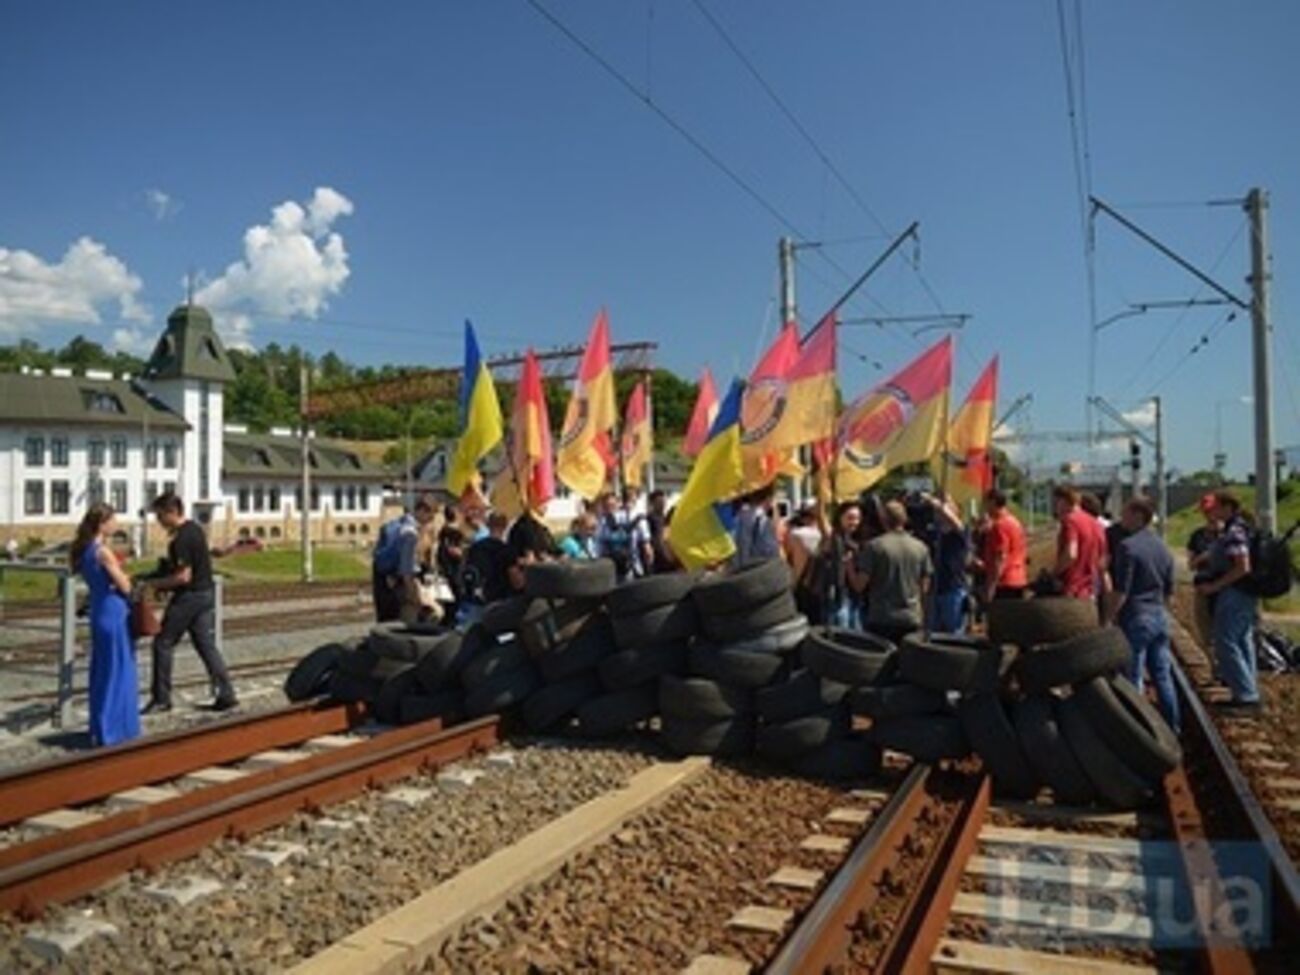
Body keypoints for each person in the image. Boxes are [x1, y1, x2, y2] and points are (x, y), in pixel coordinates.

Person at [141, 493, 237, 713]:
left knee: (163, 643)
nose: (158, 521)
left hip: (189, 596)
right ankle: (226, 692)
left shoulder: (182, 538)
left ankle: (161, 698)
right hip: (205, 593)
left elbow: (183, 576)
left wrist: (156, 584)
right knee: (205, 645)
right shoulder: (195, 529)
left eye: (160, 516)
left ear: (172, 512)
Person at [71, 503, 140, 746]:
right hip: (114, 612)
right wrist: (126, 577)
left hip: (99, 611)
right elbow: (125, 586)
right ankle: (116, 727)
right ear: (102, 524)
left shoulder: (86, 551)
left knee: (102, 669)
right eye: (113, 520)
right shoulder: (103, 552)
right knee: (119, 668)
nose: (116, 524)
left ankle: (100, 725)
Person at [1107, 498, 1179, 731]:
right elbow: (1170, 590)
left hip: (1136, 617)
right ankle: (1172, 726)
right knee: (1162, 675)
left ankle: (1138, 728)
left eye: (1126, 514)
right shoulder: (1163, 548)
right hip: (1159, 615)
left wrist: (1108, 618)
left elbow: (1121, 591)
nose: (1122, 519)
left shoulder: (1127, 547)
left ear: (1138, 516)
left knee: (1133, 675)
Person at [1197, 491, 1260, 711]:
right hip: (1243, 593)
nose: (1212, 512)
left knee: (1226, 641)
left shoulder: (1235, 530)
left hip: (1235, 593)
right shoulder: (1240, 528)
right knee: (1242, 640)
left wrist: (1215, 586)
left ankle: (1245, 695)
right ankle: (1247, 690)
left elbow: (1242, 566)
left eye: (1216, 507)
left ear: (1227, 507)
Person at [857, 500, 933, 644]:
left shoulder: (874, 547)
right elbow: (924, 587)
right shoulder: (921, 547)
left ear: (883, 519)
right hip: (911, 617)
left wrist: (848, 566)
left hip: (881, 617)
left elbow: (860, 585)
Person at [926, 493, 970, 634]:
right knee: (933, 633)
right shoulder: (933, 533)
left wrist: (937, 504)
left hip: (953, 589)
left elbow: (955, 523)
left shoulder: (960, 533)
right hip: (935, 589)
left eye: (948, 505)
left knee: (954, 633)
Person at [1052, 485, 1106, 600]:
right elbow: (1102, 560)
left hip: (1073, 588)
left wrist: (1055, 572)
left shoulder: (1070, 521)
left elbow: (1071, 554)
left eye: (1056, 503)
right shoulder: (1096, 524)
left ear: (1063, 501)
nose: (1055, 508)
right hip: (1091, 589)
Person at [460, 511, 515, 622]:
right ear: (504, 527)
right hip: (499, 599)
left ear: (488, 525)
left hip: (477, 597)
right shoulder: (508, 551)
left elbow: (466, 569)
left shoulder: (475, 548)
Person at [818, 502, 864, 630]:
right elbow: (821, 518)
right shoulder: (833, 537)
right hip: (837, 596)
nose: (854, 522)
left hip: (853, 596)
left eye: (857, 518)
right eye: (850, 517)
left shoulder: (855, 540)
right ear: (840, 517)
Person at [978, 489, 1028, 603]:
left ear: (993, 502)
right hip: (1019, 579)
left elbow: (1000, 557)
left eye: (986, 503)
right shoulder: (1015, 522)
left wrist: (991, 587)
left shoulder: (999, 526)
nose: (985, 507)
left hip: (1004, 582)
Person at [1187, 493, 1222, 648]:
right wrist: (1203, 557)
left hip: (1225, 589)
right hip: (1202, 587)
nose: (1208, 515)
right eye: (1205, 512)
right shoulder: (1197, 535)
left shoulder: (1230, 533)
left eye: (1210, 511)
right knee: (1205, 634)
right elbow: (1191, 564)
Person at [785, 502, 824, 621]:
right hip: (821, 586)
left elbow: (796, 563)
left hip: (802, 584)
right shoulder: (827, 534)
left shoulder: (797, 535)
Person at [732, 484, 781, 565]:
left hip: (738, 571)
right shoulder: (762, 520)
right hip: (757, 571)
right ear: (769, 498)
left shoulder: (738, 516)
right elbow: (770, 553)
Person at [436, 504, 467, 617]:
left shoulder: (444, 530)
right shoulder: (453, 531)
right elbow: (454, 550)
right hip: (454, 570)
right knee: (455, 598)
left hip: (447, 568)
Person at [643, 489, 673, 574]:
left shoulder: (666, 517)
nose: (662, 503)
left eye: (663, 501)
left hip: (668, 555)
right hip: (657, 556)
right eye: (659, 501)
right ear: (653, 503)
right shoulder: (650, 518)